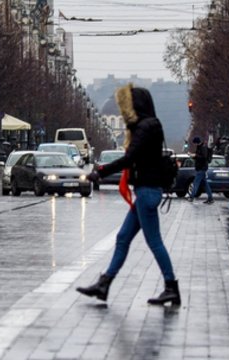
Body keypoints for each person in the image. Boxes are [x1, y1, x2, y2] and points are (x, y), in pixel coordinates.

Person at [76, 83, 181, 306]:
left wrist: (101, 172)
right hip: (146, 191)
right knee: (123, 238)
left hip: (147, 191)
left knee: (154, 242)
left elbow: (129, 159)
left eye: (127, 106)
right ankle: (104, 284)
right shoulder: (149, 125)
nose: (124, 112)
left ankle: (171, 287)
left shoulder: (145, 128)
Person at [188, 136, 214, 204]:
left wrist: (195, 156)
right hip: (201, 168)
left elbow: (203, 157)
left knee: (196, 183)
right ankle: (210, 198)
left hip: (201, 168)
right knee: (205, 184)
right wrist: (192, 156)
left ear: (196, 142)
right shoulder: (200, 147)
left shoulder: (202, 147)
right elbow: (199, 157)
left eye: (194, 143)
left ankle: (191, 197)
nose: (194, 144)